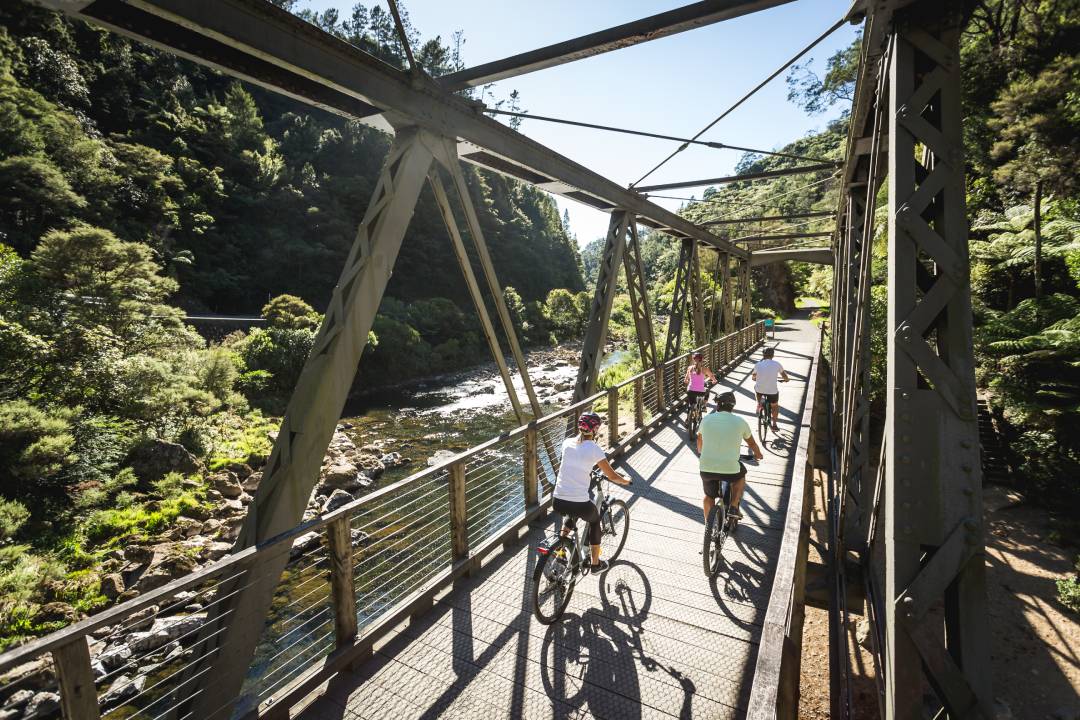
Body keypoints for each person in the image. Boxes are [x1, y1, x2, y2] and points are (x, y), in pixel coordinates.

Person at [552, 412, 632, 572]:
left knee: (571, 515)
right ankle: (595, 564)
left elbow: (573, 464)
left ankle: (560, 552)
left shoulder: (567, 443)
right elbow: (611, 475)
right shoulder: (594, 449)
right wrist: (626, 481)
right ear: (595, 430)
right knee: (594, 520)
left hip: (557, 499)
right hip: (579, 502)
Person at [697, 391, 762, 524]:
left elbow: (699, 445)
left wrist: (704, 452)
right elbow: (752, 443)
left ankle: (708, 527)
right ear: (732, 407)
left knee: (708, 496)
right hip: (730, 469)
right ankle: (733, 506)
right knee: (740, 477)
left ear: (718, 406)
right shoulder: (740, 422)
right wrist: (758, 454)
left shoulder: (706, 419)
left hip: (706, 467)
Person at [752, 347, 789, 432]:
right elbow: (784, 376)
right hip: (772, 391)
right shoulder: (777, 364)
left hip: (760, 390)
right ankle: (774, 425)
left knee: (756, 388)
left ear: (763, 355)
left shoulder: (758, 364)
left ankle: (759, 404)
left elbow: (753, 376)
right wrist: (786, 380)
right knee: (775, 406)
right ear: (773, 355)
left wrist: (755, 378)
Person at [685, 352, 717, 421]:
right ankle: (704, 406)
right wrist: (714, 380)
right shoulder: (705, 369)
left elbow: (686, 380)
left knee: (691, 404)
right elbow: (711, 376)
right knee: (707, 390)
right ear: (702, 360)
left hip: (690, 390)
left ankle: (688, 419)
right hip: (701, 391)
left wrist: (688, 381)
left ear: (694, 360)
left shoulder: (689, 368)